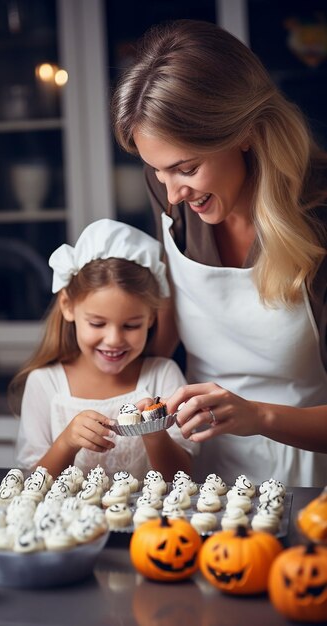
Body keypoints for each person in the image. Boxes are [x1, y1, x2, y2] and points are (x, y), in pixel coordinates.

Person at [111, 19, 327, 486]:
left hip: (308, 481)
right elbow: (170, 321)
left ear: (244, 132)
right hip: (201, 473)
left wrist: (259, 417)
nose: (171, 194)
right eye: (158, 172)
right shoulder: (173, 189)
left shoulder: (320, 220)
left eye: (186, 168)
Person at [12, 218, 195, 481]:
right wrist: (66, 443)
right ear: (68, 306)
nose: (113, 339)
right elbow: (33, 483)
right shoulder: (44, 383)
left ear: (151, 318)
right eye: (97, 323)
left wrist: (154, 432)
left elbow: (182, 477)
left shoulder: (163, 376)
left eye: (131, 325)